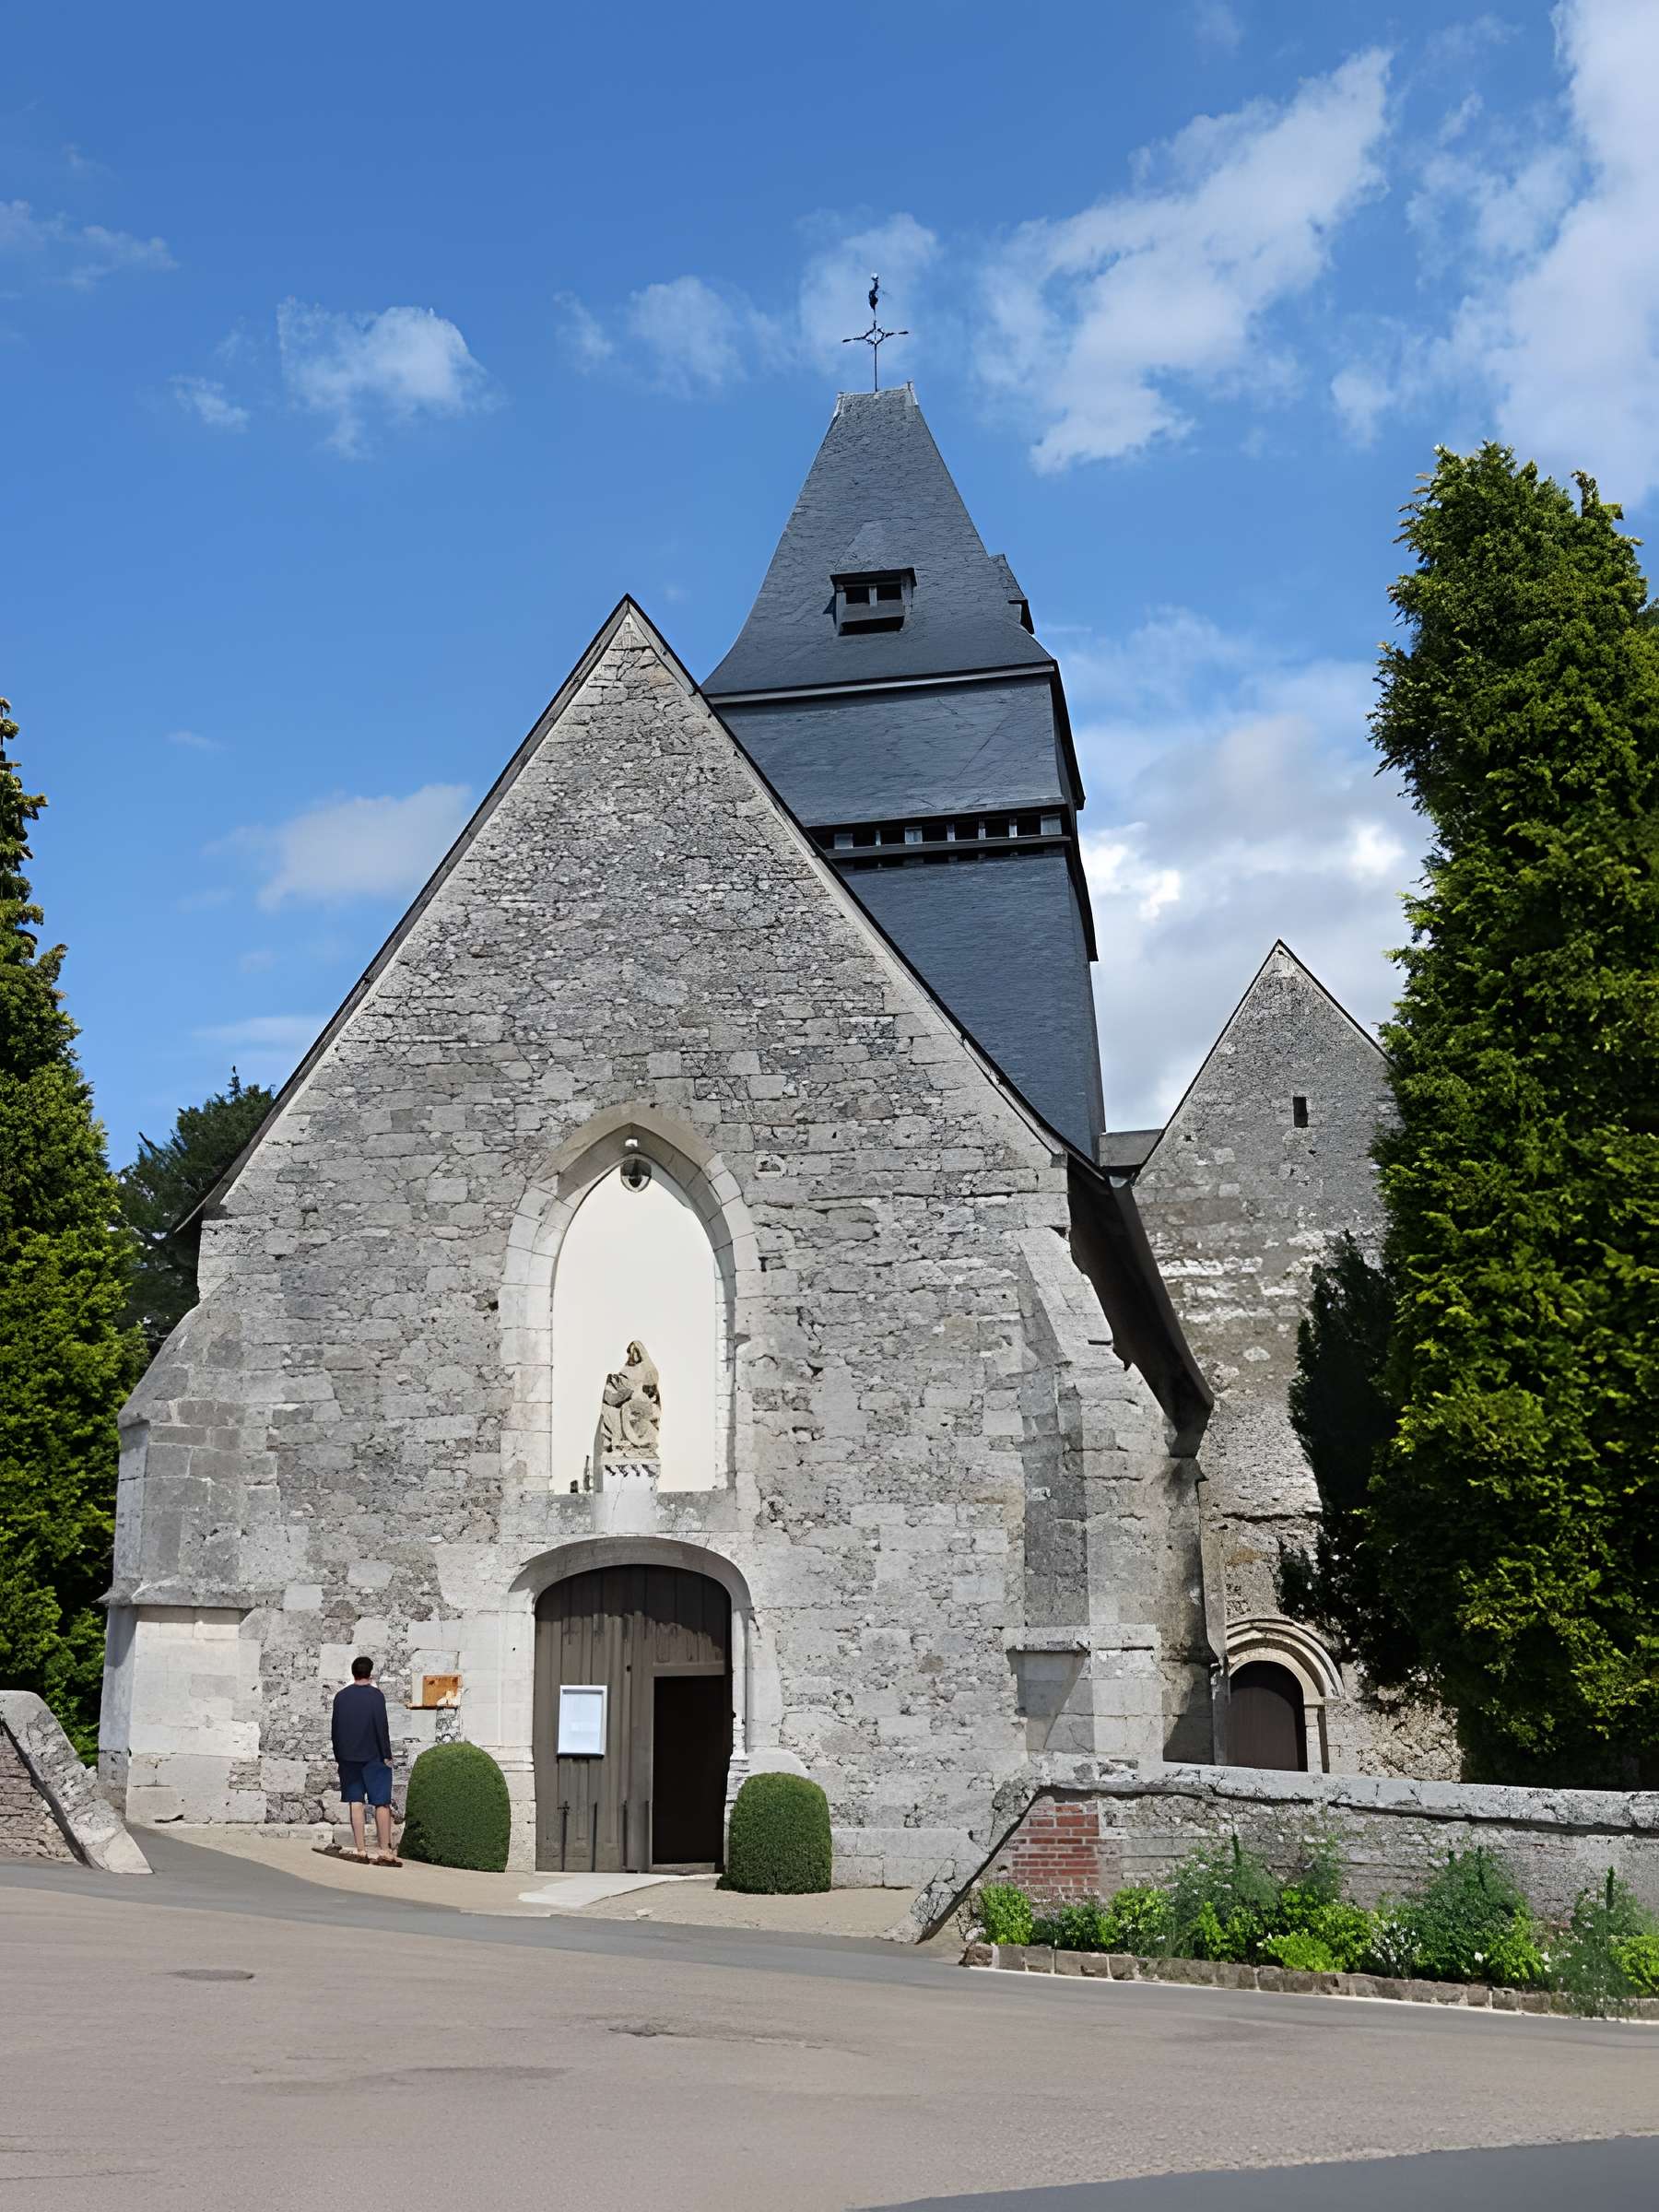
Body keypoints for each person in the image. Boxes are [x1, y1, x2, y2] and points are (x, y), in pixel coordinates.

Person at [331, 1655, 400, 1865]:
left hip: (348, 1757)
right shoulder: (376, 1696)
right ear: (370, 1673)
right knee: (381, 1802)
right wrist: (386, 1754)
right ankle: (384, 1850)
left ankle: (361, 1850)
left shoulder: (341, 1697)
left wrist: (339, 1755)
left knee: (356, 1801)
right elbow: (381, 1726)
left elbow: (335, 1729)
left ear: (353, 1673)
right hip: (374, 1755)